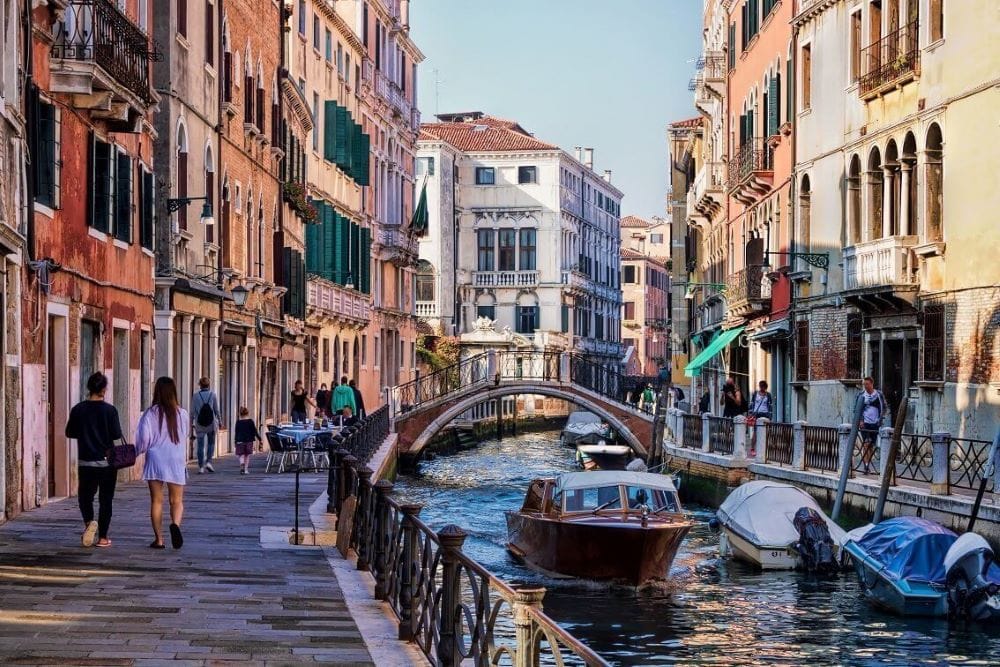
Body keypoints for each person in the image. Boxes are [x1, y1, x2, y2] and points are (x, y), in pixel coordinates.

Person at [65, 372, 124, 548]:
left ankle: (89, 523)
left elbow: (70, 432)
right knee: (106, 499)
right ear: (104, 389)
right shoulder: (110, 410)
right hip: (107, 463)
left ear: (89, 388)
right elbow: (116, 434)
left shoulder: (78, 409)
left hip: (86, 462)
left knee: (85, 497)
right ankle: (103, 538)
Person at [136, 377, 189, 550]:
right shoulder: (182, 414)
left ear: (156, 391)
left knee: (157, 501)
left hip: (156, 458)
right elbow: (185, 435)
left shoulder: (150, 413)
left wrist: (138, 451)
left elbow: (144, 438)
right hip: (176, 459)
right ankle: (175, 525)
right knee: (177, 500)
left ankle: (159, 540)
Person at [859, 376, 888, 475]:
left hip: (875, 423)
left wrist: (881, 418)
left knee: (871, 445)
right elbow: (857, 409)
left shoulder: (879, 394)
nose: (865, 386)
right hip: (865, 423)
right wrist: (860, 420)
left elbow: (884, 407)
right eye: (864, 384)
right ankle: (866, 466)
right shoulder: (861, 395)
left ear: (872, 384)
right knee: (866, 443)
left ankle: (867, 463)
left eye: (867, 384)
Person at [191, 377, 220, 474]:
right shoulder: (213, 395)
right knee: (211, 443)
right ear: (209, 385)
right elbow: (216, 410)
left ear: (200, 385)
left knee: (200, 445)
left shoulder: (195, 396)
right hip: (211, 423)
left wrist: (191, 422)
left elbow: (193, 411)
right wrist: (220, 421)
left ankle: (201, 467)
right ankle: (208, 462)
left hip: (199, 423)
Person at [747, 380, 773, 456]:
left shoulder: (768, 395)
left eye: (763, 387)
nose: (761, 388)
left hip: (765, 414)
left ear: (765, 387)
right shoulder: (755, 394)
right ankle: (752, 448)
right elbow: (751, 404)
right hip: (756, 414)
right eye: (760, 386)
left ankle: (764, 449)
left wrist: (770, 417)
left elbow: (770, 406)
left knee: (765, 432)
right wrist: (750, 413)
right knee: (755, 432)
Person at [233, 407, 262, 475]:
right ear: (247, 413)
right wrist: (260, 439)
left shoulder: (238, 422)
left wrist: (235, 441)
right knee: (247, 455)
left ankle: (242, 463)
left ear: (240, 414)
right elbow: (255, 431)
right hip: (249, 441)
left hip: (240, 440)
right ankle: (246, 469)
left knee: (241, 455)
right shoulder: (250, 421)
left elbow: (236, 432)